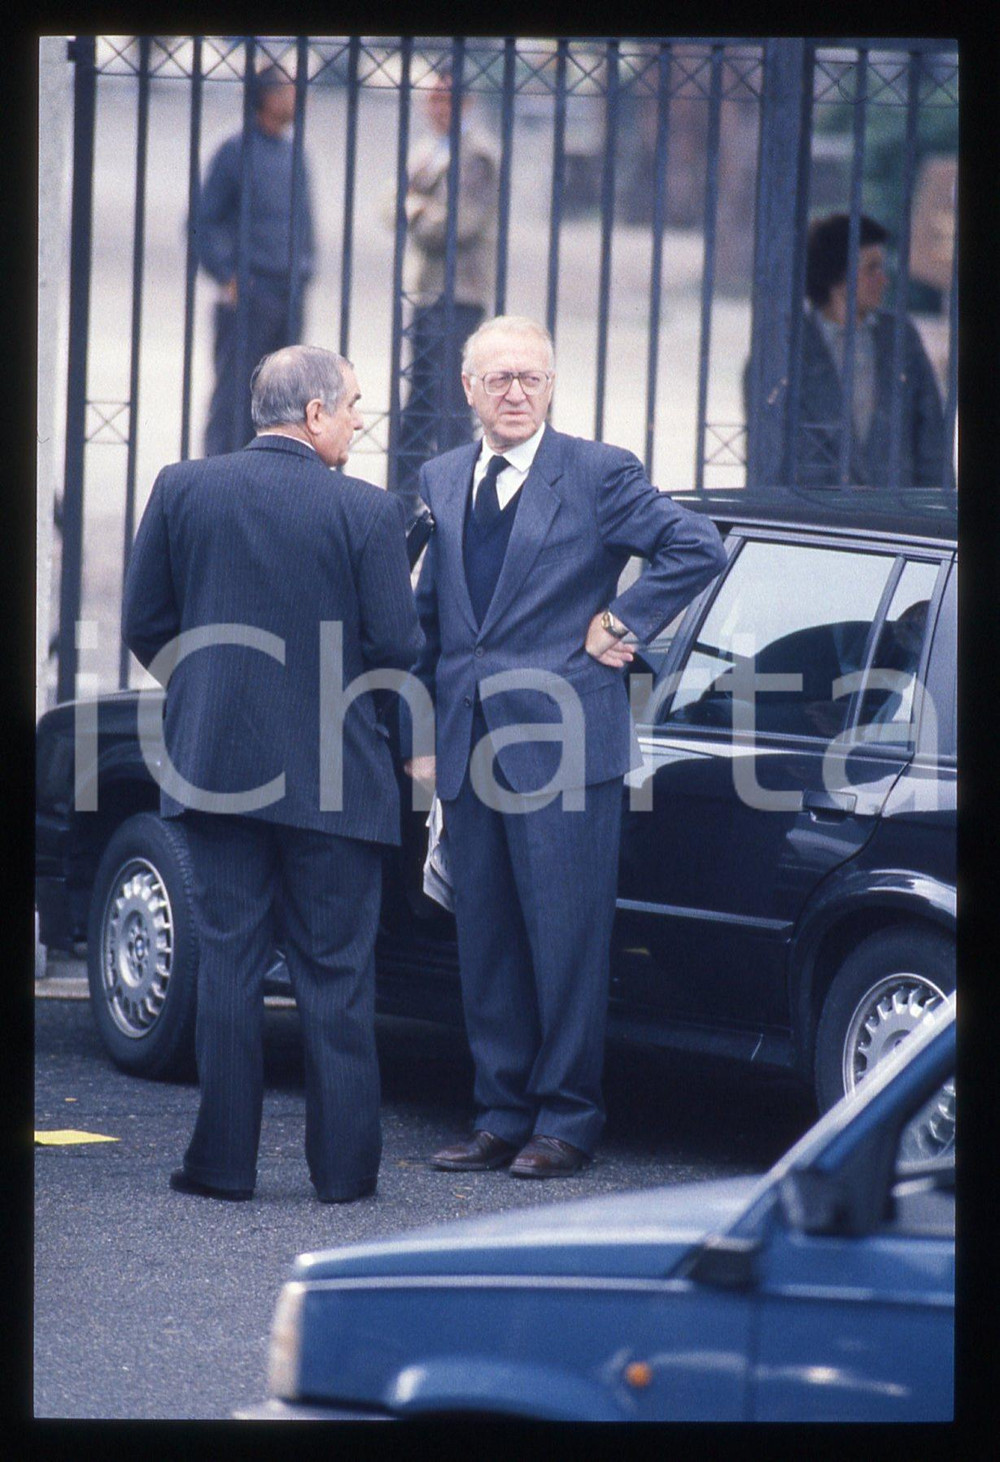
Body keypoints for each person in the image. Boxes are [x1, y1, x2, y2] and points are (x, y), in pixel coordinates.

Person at [405, 315, 727, 1179]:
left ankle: (567, 1122)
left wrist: (624, 620)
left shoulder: (596, 472)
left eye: (532, 380)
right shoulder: (441, 475)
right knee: (490, 944)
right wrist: (425, 735)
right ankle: (501, 1113)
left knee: (567, 944)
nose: (517, 393)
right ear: (468, 388)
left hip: (567, 747)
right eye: (500, 379)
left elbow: (696, 546)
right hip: (471, 745)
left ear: (552, 387)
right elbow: (435, 620)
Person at [122, 346, 422, 1203]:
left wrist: (209, 682)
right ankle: (344, 1174)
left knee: (228, 970)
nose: (361, 422)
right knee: (336, 978)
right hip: (336, 777)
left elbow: (148, 619)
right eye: (355, 407)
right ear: (316, 414)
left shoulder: (184, 487)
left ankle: (221, 1165)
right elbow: (398, 648)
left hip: (216, 769)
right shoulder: (368, 513)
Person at [746, 212, 948, 489]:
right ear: (836, 274)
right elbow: (766, 450)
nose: (884, 280)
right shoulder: (786, 348)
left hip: (894, 518)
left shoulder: (901, 338)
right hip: (816, 520)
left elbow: (932, 443)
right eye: (872, 268)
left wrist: (936, 512)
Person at [391, 70, 499, 519]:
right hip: (427, 291)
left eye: (445, 98)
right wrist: (415, 206)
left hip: (458, 293)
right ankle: (399, 503)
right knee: (419, 402)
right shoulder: (428, 151)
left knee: (451, 403)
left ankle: (455, 507)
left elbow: (459, 224)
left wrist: (413, 208)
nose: (436, 108)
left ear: (466, 102)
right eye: (431, 98)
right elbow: (386, 200)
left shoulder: (477, 155)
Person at [196, 64, 315, 458]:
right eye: (288, 90)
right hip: (249, 292)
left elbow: (305, 221)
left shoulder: (294, 152)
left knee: (283, 398)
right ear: (265, 96)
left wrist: (306, 267)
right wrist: (226, 274)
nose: (297, 98)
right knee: (235, 396)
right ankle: (219, 475)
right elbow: (203, 221)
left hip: (288, 291)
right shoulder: (234, 151)